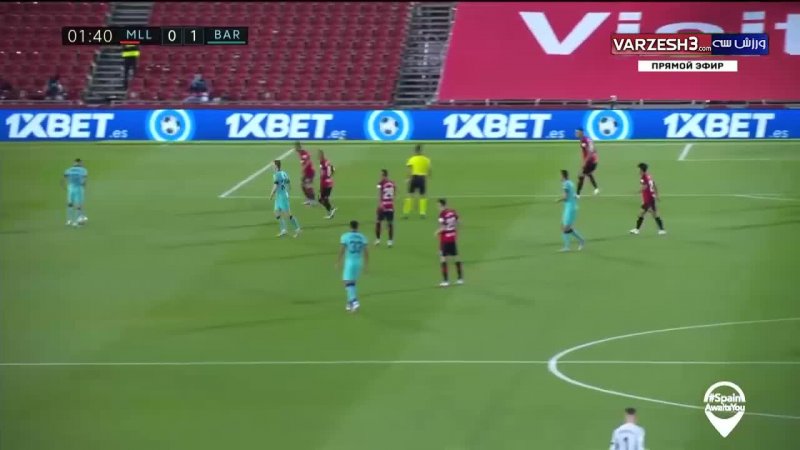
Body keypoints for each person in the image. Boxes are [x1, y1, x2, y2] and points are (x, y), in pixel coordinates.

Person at [337, 220, 369, 313]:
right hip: (359, 261)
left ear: (350, 227)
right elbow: (366, 252)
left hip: (349, 262)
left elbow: (342, 249)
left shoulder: (345, 236)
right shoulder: (362, 237)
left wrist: (338, 261)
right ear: (358, 227)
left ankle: (354, 301)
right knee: (352, 283)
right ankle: (349, 304)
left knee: (347, 282)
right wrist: (366, 264)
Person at [630, 162, 666, 235]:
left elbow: (645, 186)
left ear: (642, 170)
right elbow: (654, 185)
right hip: (649, 198)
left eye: (639, 169)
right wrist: (657, 195)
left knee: (653, 214)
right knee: (641, 214)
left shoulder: (643, 178)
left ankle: (662, 230)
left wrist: (637, 192)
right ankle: (637, 230)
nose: (638, 171)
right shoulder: (649, 176)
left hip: (649, 199)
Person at [269, 160, 301, 238]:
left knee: (288, 215)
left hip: (282, 197)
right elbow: (288, 182)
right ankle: (283, 230)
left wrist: (271, 194)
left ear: (276, 166)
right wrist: (288, 190)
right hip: (280, 196)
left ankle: (298, 229)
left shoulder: (276, 174)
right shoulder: (283, 173)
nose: (271, 166)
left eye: (273, 165)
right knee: (276, 212)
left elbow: (276, 185)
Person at [436, 198, 463, 287]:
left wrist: (437, 232)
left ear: (441, 205)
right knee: (456, 257)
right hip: (452, 238)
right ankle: (460, 279)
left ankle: (445, 281)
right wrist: (454, 230)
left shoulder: (442, 214)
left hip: (445, 239)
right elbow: (459, 222)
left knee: (443, 258)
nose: (438, 207)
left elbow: (443, 227)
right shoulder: (452, 212)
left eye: (438, 205)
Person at [556, 169, 585, 251]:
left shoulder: (566, 184)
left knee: (566, 227)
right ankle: (580, 241)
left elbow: (565, 197)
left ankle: (568, 246)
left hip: (570, 208)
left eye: (560, 175)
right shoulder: (571, 183)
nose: (560, 177)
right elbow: (574, 195)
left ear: (563, 176)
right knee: (564, 226)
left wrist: (558, 200)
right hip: (570, 207)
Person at [403, 144, 432, 219]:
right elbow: (429, 170)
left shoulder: (412, 159)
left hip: (414, 178)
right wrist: (428, 177)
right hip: (422, 178)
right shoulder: (426, 159)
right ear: (421, 150)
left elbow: (409, 170)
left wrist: (407, 178)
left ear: (415, 151)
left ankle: (406, 213)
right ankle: (422, 213)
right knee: (422, 196)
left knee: (410, 195)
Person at [61, 158, 88, 227]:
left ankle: (69, 220)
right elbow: (84, 181)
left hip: (70, 187)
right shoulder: (83, 170)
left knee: (70, 204)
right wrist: (83, 187)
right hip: (79, 188)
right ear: (80, 163)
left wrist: (65, 187)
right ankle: (77, 221)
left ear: (74, 163)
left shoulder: (69, 169)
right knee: (79, 205)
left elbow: (63, 179)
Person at [575, 128, 599, 197]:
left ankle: (577, 194)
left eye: (577, 132)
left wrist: (585, 162)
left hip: (590, 161)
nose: (576, 134)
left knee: (581, 175)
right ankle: (596, 188)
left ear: (581, 132)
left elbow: (589, 152)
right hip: (594, 160)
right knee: (588, 174)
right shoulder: (587, 139)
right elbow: (593, 149)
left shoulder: (584, 140)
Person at [375, 169, 396, 247]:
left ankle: (378, 239)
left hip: (383, 205)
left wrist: (379, 204)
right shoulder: (392, 183)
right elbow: (395, 192)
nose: (380, 176)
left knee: (378, 222)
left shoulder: (380, 183)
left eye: (381, 175)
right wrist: (393, 203)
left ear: (384, 175)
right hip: (390, 205)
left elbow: (379, 193)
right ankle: (390, 241)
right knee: (390, 223)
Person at [294, 141, 316, 205]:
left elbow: (308, 161)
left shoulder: (303, 153)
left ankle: (313, 200)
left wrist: (304, 168)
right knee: (303, 185)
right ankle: (309, 199)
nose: (295, 148)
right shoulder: (300, 153)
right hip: (307, 172)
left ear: (298, 147)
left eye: (296, 147)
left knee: (308, 185)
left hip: (310, 172)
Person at [318, 150, 336, 219]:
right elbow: (333, 169)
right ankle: (331, 210)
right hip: (330, 182)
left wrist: (321, 187)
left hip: (325, 184)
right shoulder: (327, 161)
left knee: (322, 200)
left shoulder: (322, 163)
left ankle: (331, 211)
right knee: (324, 199)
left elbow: (322, 175)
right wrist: (330, 176)